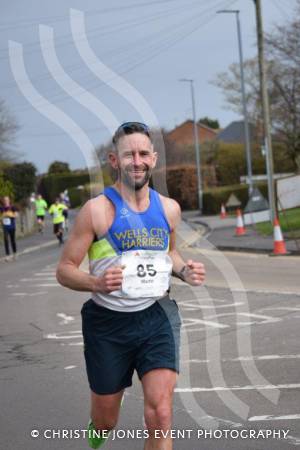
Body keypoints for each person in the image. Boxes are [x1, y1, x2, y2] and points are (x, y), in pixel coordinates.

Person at [56, 122, 206, 450]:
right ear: (114, 160)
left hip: (157, 317)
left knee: (161, 412)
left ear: (153, 159)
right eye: (128, 155)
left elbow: (170, 253)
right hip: (108, 324)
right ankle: (103, 418)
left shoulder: (169, 209)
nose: (136, 161)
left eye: (142, 154)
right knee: (105, 420)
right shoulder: (96, 211)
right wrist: (96, 281)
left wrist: (185, 270)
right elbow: (65, 270)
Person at [0, 196, 18, 261]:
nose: (6, 201)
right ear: (3, 201)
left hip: (12, 226)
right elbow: (1, 217)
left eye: (7, 200)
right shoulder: (2, 208)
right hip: (5, 227)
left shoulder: (12, 207)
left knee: (12, 240)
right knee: (6, 240)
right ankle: (7, 255)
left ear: (9, 200)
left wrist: (10, 215)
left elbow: (16, 215)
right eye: (5, 200)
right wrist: (2, 217)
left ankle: (15, 253)